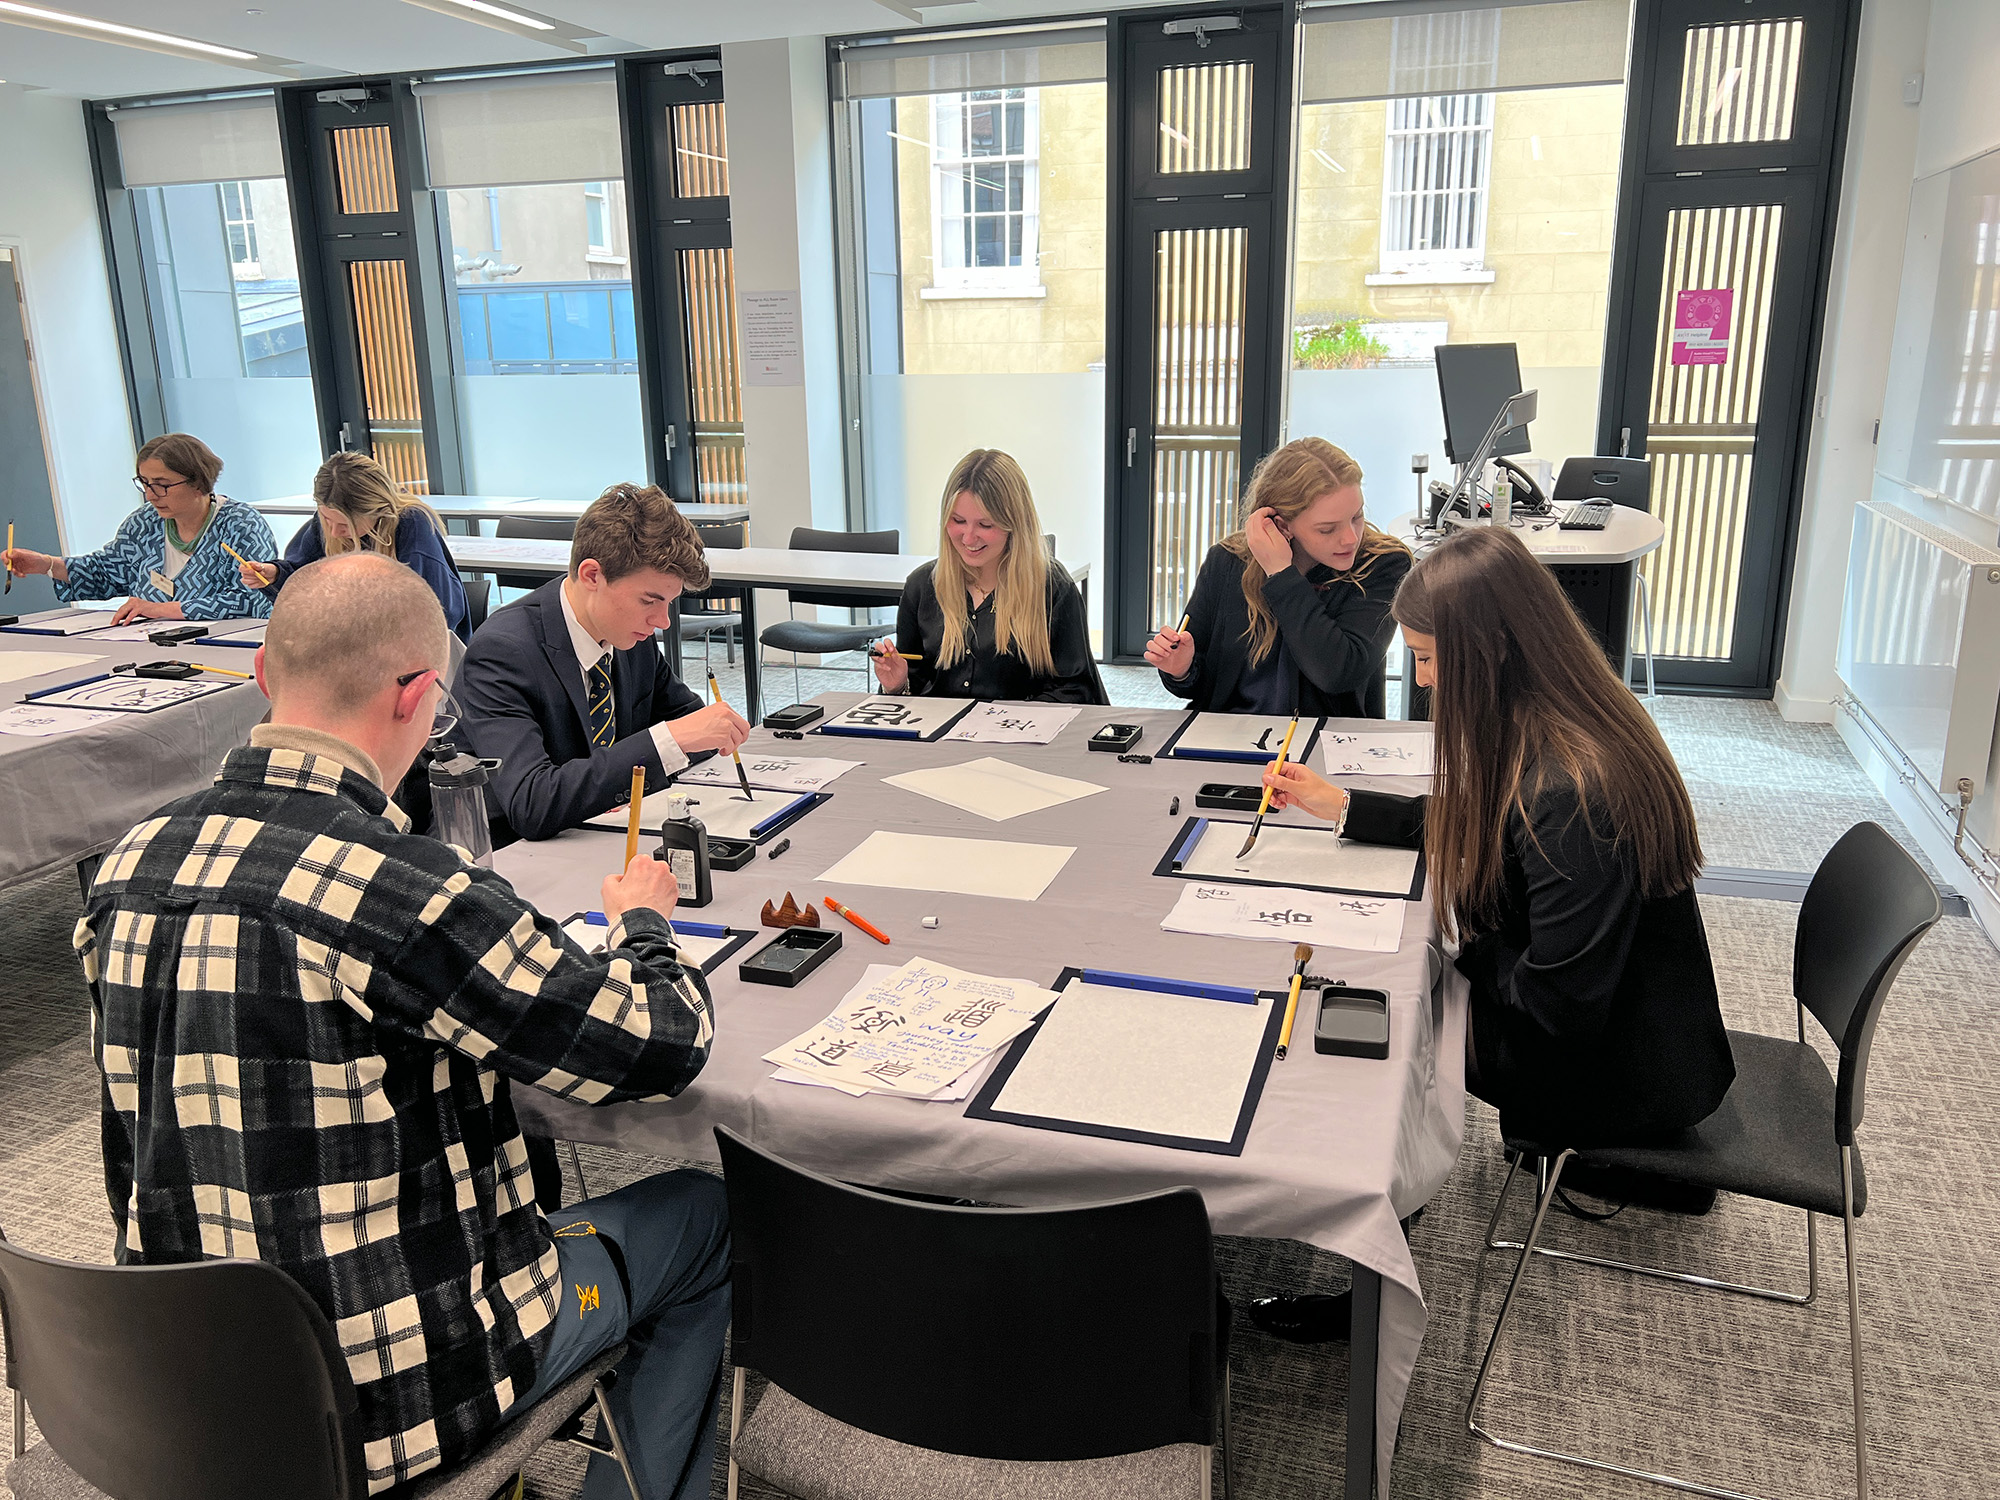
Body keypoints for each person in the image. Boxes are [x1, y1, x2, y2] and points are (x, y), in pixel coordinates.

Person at [75, 552, 730, 1498]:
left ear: (264, 676)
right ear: (419, 694)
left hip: (181, 1383)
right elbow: (660, 1042)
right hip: (390, 1397)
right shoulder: (408, 888)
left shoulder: (128, 863)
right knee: (700, 1216)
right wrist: (644, 924)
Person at [1249, 526, 1736, 1341]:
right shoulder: (1561, 722)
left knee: (1389, 1024)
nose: (1426, 680)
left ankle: (1365, 1285)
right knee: (1385, 977)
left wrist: (1448, 948)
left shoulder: (1574, 787)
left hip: (1617, 1069)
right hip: (1631, 1023)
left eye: (1433, 660)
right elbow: (1489, 831)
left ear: (1493, 652)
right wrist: (1345, 807)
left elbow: (1561, 1008)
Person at [458, 481, 749, 844]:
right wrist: (666, 742)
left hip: (602, 838)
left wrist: (692, 734)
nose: (663, 622)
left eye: (669, 604)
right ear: (592, 575)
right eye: (649, 601)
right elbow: (531, 803)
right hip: (516, 859)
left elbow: (694, 728)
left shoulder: (625, 633)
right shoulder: (503, 652)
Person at [1143, 437, 1409, 717]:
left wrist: (1281, 574)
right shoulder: (1226, 561)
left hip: (1329, 743)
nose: (1350, 538)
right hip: (1231, 735)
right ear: (1282, 525)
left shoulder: (1384, 565)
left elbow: (1337, 673)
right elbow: (1201, 687)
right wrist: (1182, 670)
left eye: (1357, 516)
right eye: (1327, 529)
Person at [871, 449, 1106, 704]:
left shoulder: (1052, 588)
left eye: (986, 525)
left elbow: (1076, 692)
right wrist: (897, 685)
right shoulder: (921, 586)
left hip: (1021, 737)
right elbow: (914, 686)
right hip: (941, 738)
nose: (969, 538)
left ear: (1014, 525)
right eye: (958, 521)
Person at [2, 432, 275, 624]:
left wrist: (163, 609)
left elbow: (252, 598)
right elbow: (106, 571)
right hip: (152, 647)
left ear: (199, 483)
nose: (150, 495)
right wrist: (46, 564)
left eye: (162, 484)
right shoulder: (145, 521)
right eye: (144, 483)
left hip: (226, 648)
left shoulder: (241, 524)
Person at [240, 450, 470, 641]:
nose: (333, 531)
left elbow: (435, 613)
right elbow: (304, 577)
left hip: (415, 651)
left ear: (377, 510)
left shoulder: (411, 524)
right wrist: (275, 575)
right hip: (355, 645)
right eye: (326, 519)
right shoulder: (327, 523)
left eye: (345, 525)